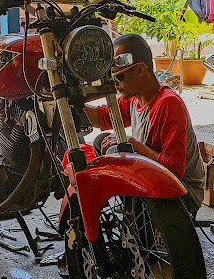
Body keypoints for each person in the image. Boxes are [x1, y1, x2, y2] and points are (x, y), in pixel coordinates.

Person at [84, 34, 205, 215]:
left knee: (115, 150)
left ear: (140, 70)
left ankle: (140, 216)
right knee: (102, 141)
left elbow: (174, 169)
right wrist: (73, 102)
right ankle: (136, 213)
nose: (115, 85)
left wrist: (134, 144)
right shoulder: (135, 98)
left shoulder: (168, 104)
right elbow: (102, 117)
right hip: (156, 179)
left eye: (119, 78)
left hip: (183, 194)